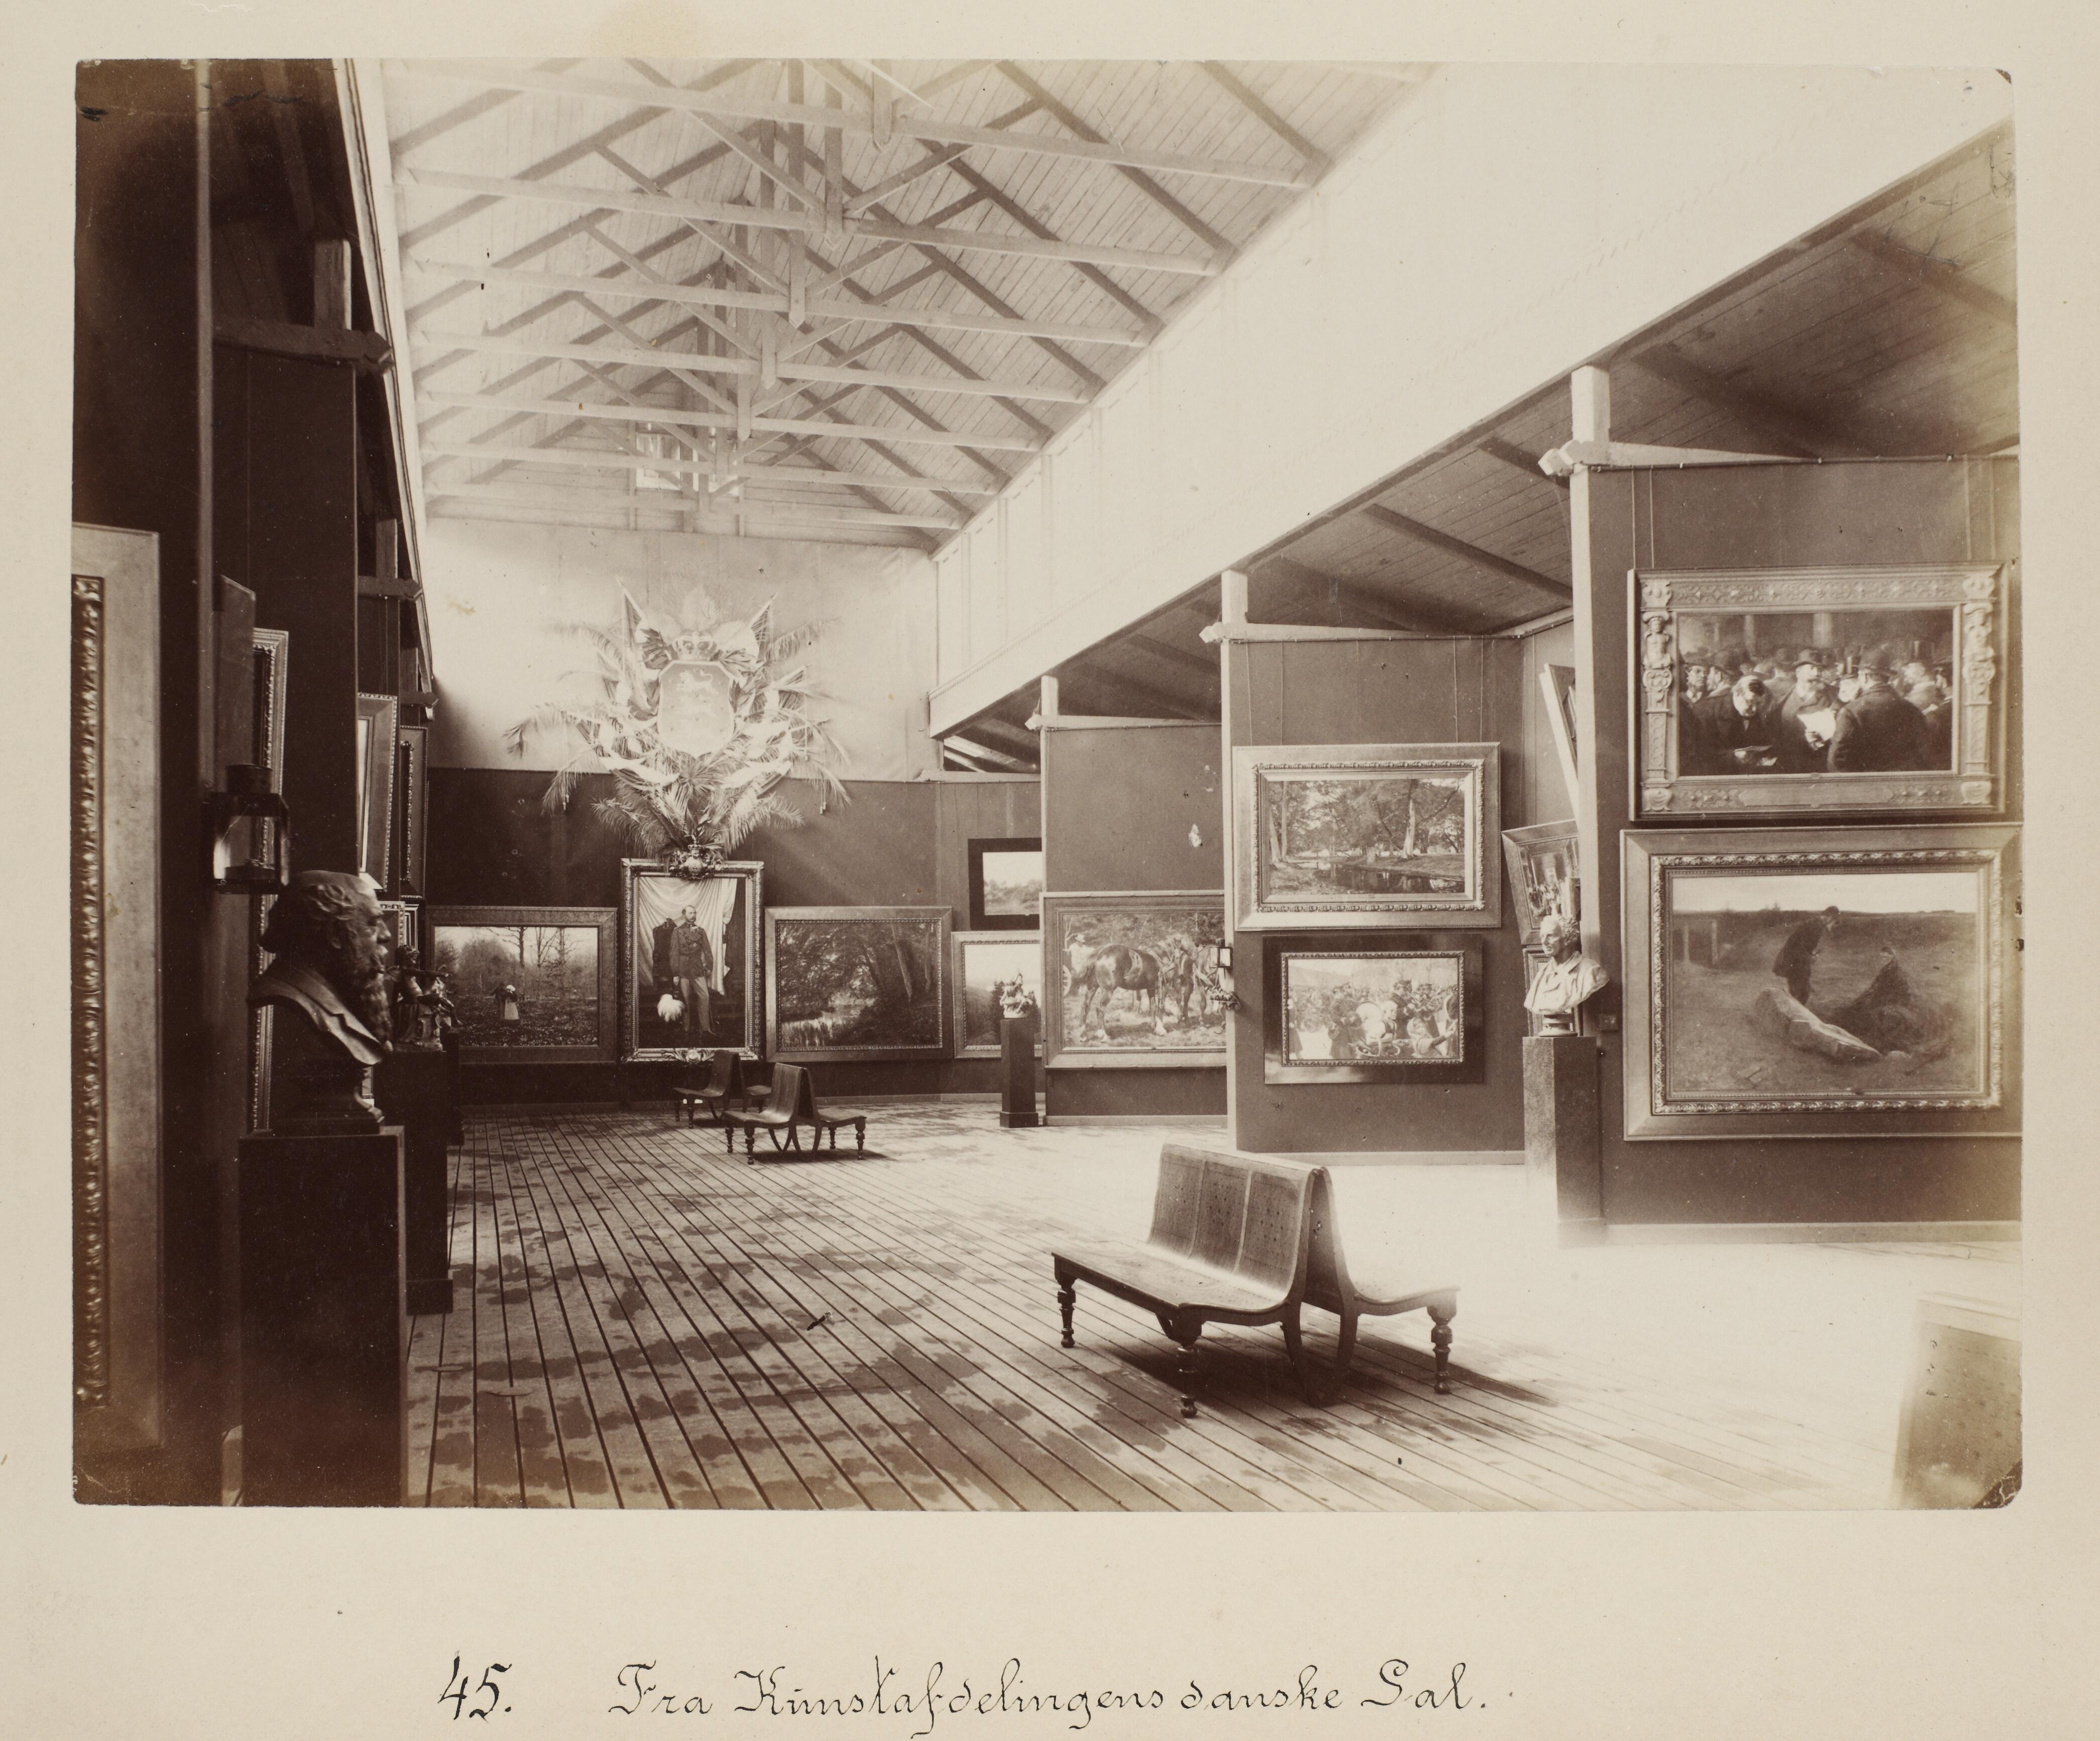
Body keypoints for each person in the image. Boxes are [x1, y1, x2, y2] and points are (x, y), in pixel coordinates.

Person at [1830, 654, 1931, 772]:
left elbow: (1836, 762)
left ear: (1864, 677)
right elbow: (1924, 752)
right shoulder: (1911, 708)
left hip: (1866, 782)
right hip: (1903, 781)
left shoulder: (1850, 711)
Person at [1688, 674, 1780, 775]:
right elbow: (1697, 754)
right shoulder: (1705, 710)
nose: (1754, 709)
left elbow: (1762, 742)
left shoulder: (1754, 713)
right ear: (1736, 694)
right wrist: (1732, 756)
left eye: (1758, 704)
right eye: (1750, 702)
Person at [1772, 906, 1840, 1007]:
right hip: (1795, 960)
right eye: (1834, 921)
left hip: (1795, 959)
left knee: (1801, 991)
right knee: (1802, 993)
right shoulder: (1816, 926)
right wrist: (1810, 958)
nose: (1833, 925)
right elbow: (1800, 946)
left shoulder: (1816, 923)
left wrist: (1810, 956)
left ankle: (1793, 1011)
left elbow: (1805, 945)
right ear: (1830, 917)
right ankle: (1792, 1013)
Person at [669, 900, 715, 1039]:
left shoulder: (701, 931)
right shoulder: (677, 932)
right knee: (686, 999)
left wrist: (709, 966)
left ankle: (705, 1028)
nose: (693, 915)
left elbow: (707, 950)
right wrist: (676, 974)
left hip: (697, 969)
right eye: (690, 913)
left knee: (705, 997)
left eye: (694, 913)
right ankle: (686, 1028)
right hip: (683, 970)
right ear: (684, 915)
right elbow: (674, 954)